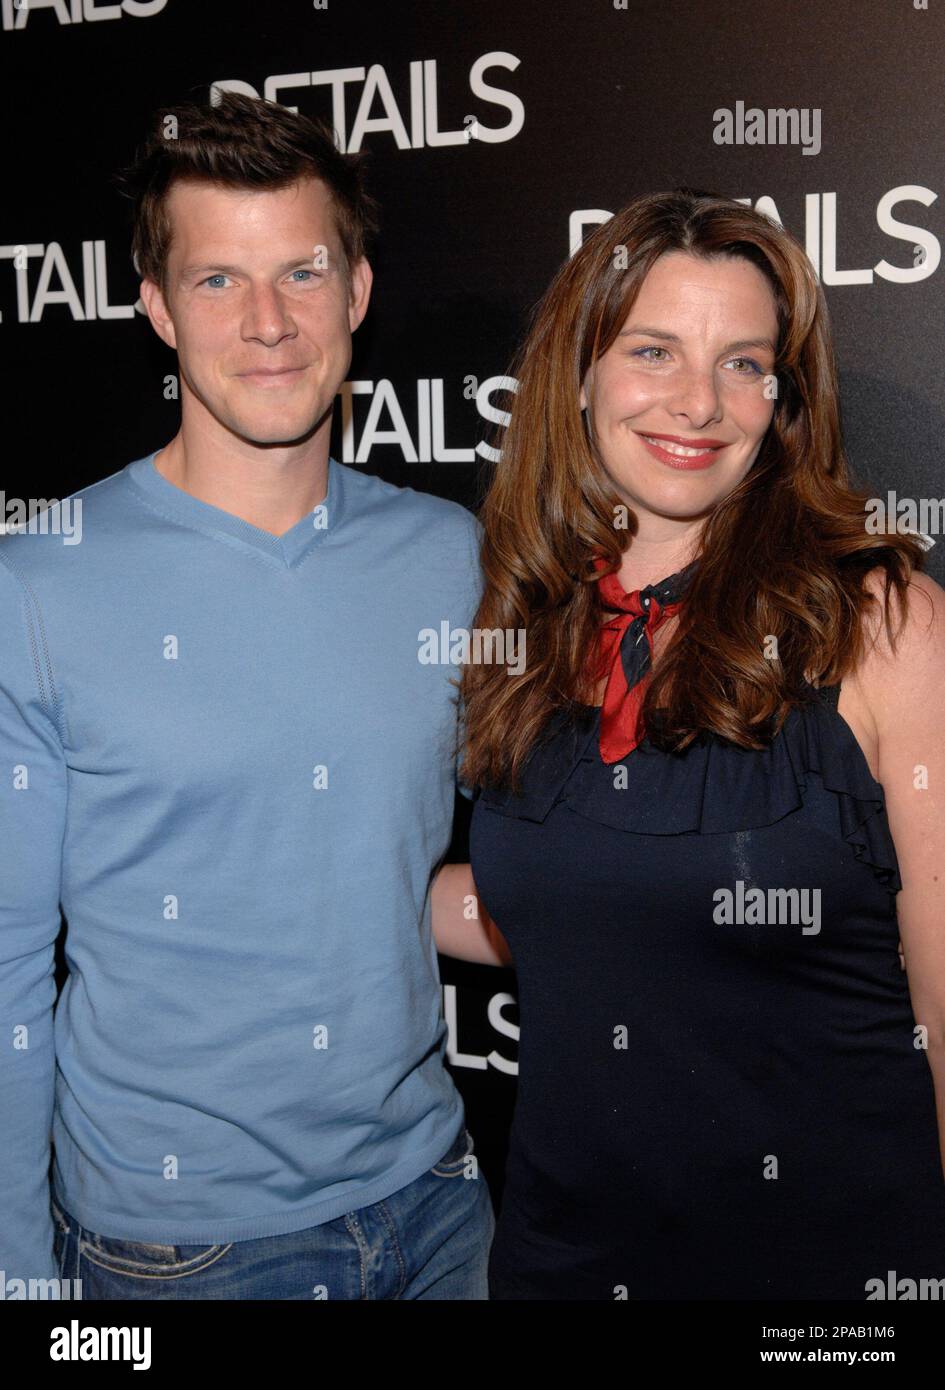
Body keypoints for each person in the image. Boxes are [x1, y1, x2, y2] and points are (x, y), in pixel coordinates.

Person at [0, 91, 494, 1300]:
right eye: (219, 281)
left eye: (303, 272)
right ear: (157, 309)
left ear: (359, 292)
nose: (269, 322)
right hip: (174, 1255)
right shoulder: (38, 582)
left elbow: (476, 861)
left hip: (438, 1204)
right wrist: (20, 1278)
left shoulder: (455, 557)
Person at [435, 189, 945, 1300]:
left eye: (744, 363)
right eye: (654, 350)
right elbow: (569, 901)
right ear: (581, 375)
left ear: (783, 398)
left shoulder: (882, 624)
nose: (699, 402)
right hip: (567, 1258)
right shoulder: (532, 621)